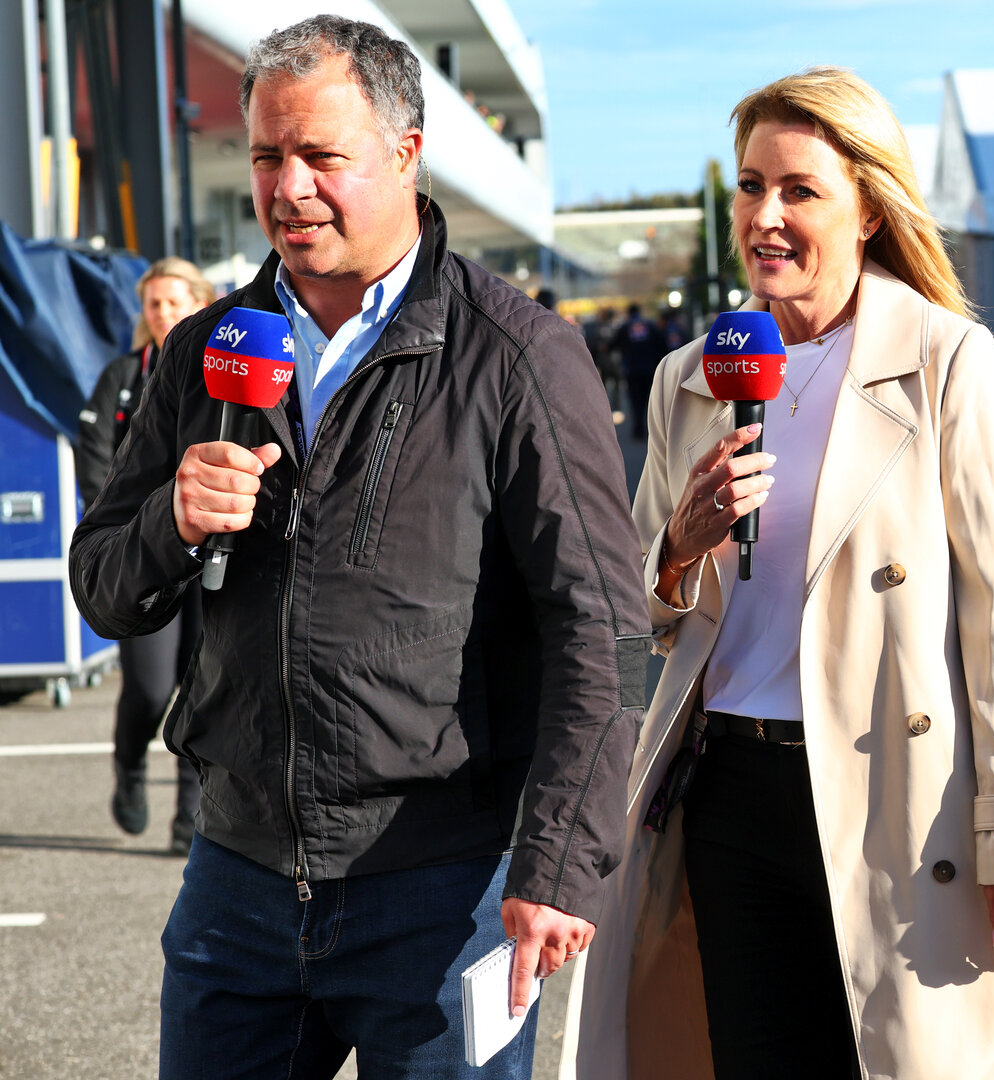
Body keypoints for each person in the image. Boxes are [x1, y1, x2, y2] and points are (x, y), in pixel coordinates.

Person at [68, 16, 647, 1079]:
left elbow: (602, 630)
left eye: (320, 156)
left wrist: (561, 861)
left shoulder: (519, 354)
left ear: (407, 152)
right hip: (237, 880)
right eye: (266, 156)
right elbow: (103, 585)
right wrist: (170, 520)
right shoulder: (204, 351)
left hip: (444, 891)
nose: (288, 188)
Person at [562, 67, 994, 1080]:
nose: (766, 216)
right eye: (752, 186)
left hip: (898, 795)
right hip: (725, 792)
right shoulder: (688, 377)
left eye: (800, 190)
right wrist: (680, 544)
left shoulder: (946, 361)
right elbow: (639, 612)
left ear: (870, 209)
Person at [75, 257, 214, 854]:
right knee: (152, 690)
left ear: (201, 303)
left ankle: (190, 821)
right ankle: (129, 764)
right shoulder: (122, 377)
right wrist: (130, 534)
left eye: (175, 302)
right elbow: (96, 469)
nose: (163, 313)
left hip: (212, 555)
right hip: (143, 558)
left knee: (202, 688)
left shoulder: (225, 370)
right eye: (154, 303)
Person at [611, 302, 664, 440]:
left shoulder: (625, 327)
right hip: (649, 369)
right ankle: (650, 428)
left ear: (629, 313)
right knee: (649, 399)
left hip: (632, 370)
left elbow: (613, 344)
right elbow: (661, 345)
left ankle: (638, 428)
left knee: (635, 400)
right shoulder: (650, 326)